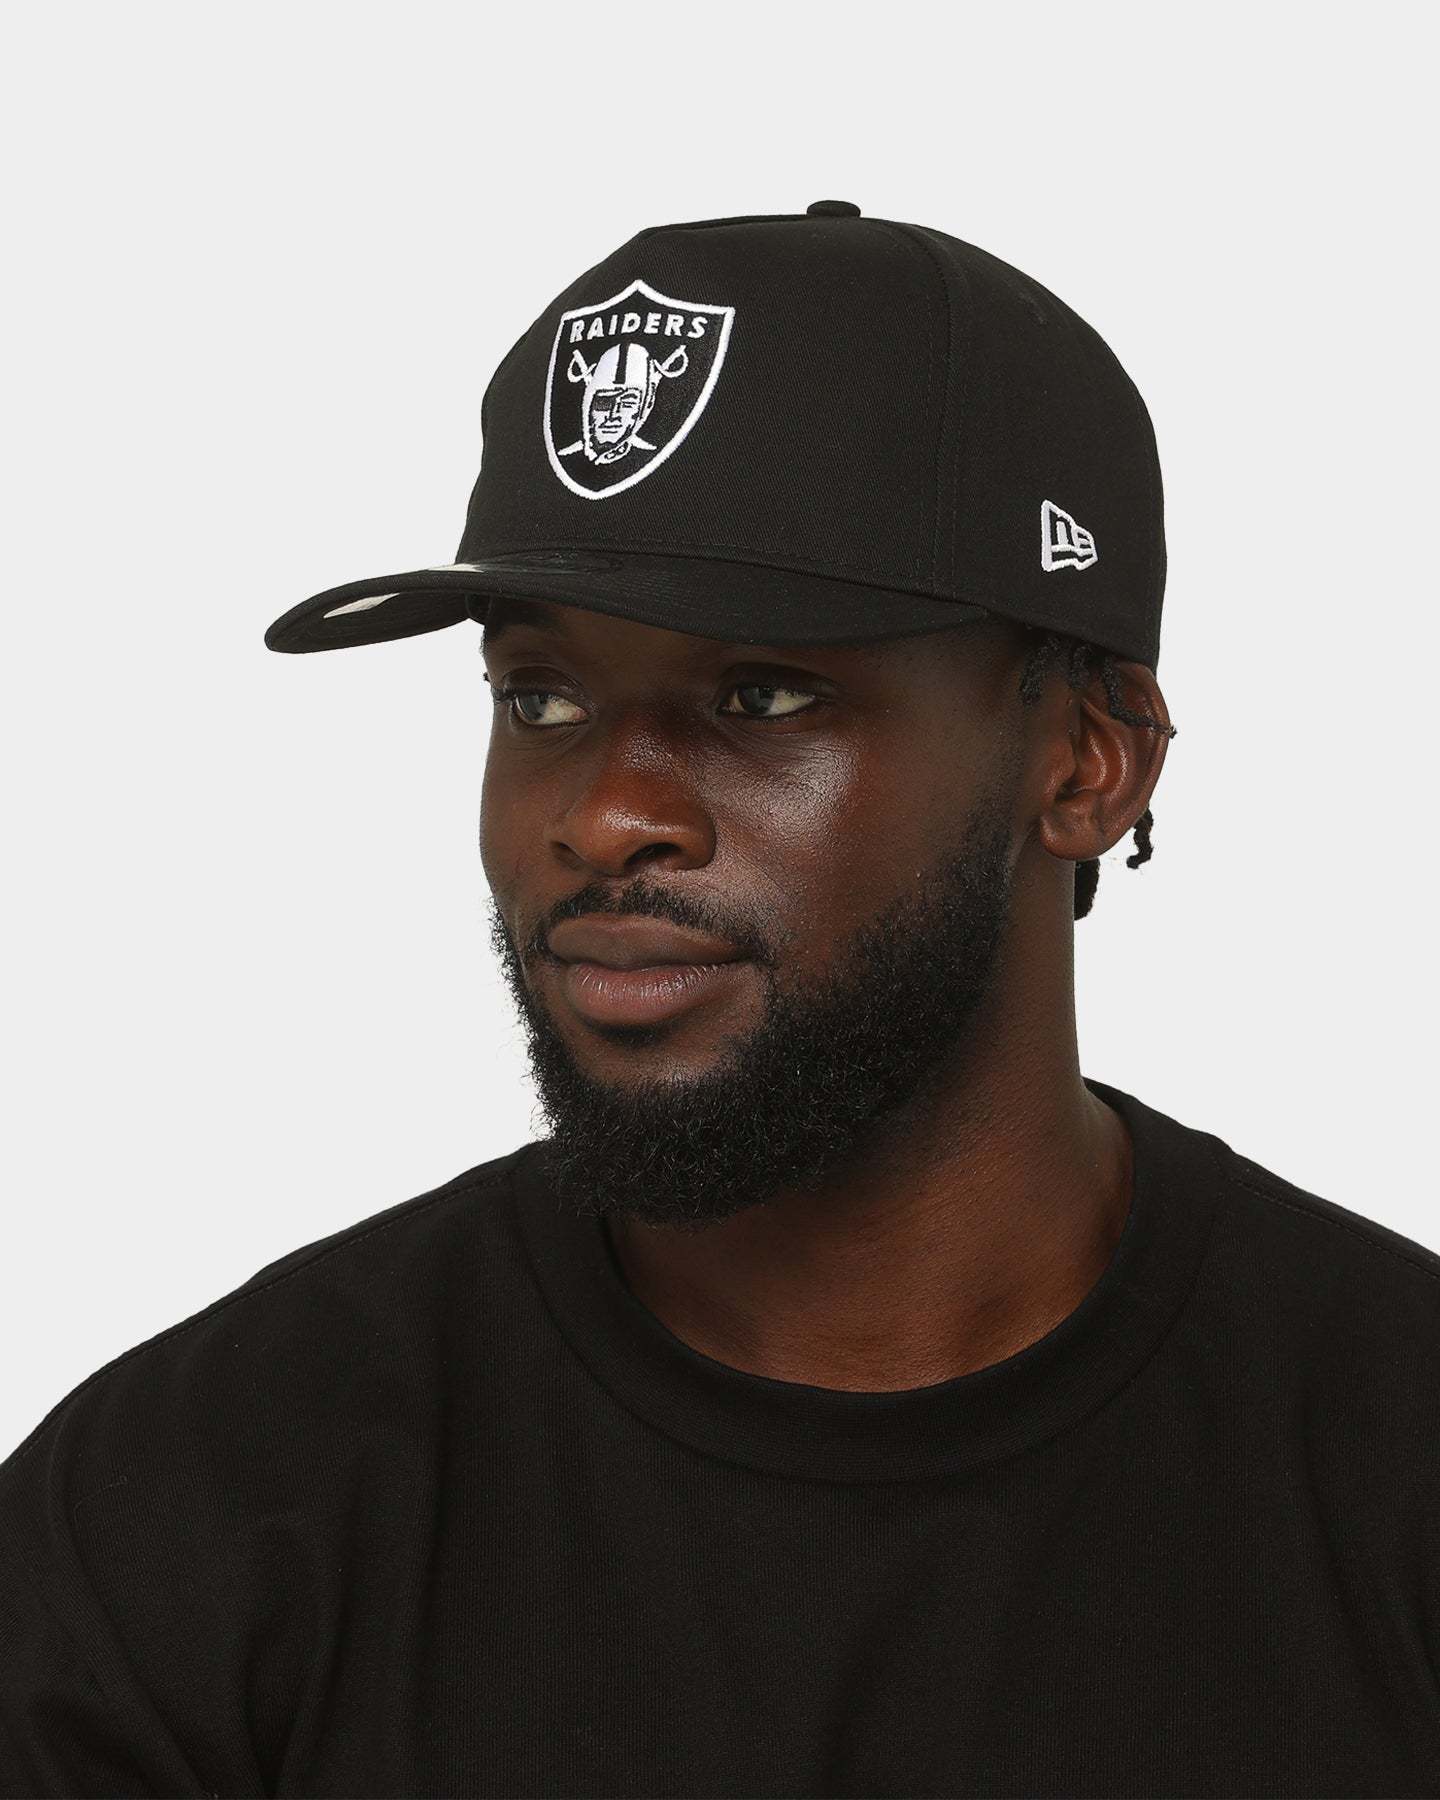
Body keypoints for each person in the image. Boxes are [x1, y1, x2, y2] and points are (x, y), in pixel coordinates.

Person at [2, 200, 1436, 1800]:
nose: (605, 815)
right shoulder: (191, 1516)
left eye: (762, 693)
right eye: (541, 695)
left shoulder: (1391, 1471)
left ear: (1090, 764)